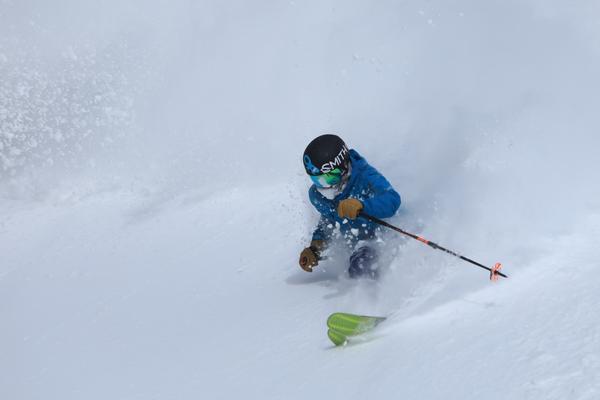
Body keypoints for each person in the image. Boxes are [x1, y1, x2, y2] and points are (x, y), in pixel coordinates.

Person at [299, 134, 401, 278]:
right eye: (317, 180)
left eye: (329, 177)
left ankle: (374, 297)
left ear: (343, 166)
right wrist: (315, 248)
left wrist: (362, 205)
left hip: (385, 237)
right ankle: (360, 296)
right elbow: (328, 221)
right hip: (359, 246)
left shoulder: (365, 177)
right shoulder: (318, 196)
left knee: (361, 266)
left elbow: (392, 200)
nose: (325, 185)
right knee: (358, 264)